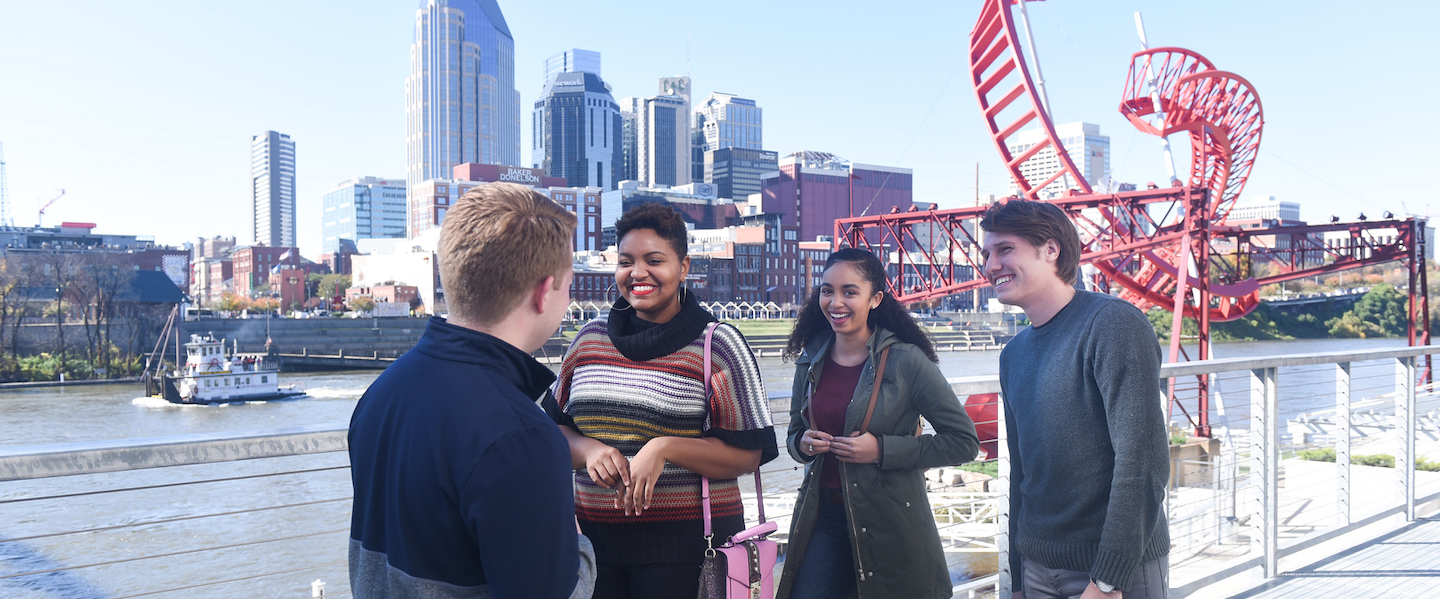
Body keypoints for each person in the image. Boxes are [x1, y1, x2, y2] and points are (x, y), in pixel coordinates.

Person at [348, 182, 596, 599]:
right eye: (567, 285)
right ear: (542, 292)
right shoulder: (521, 438)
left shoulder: (381, 394)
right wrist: (577, 544)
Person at [550, 202, 778, 599]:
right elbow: (548, 430)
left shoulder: (718, 345)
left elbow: (748, 455)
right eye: (626, 261)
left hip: (689, 552)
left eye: (653, 260)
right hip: (591, 547)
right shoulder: (588, 341)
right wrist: (587, 450)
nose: (637, 273)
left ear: (684, 267)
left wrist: (665, 448)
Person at [980, 199, 1170, 599]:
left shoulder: (1114, 324)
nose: (991, 265)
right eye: (987, 253)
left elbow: (1143, 462)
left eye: (1005, 249)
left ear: (1051, 250)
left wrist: (1107, 580)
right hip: (1036, 571)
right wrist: (1016, 576)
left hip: (1116, 570)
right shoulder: (1012, 355)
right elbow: (1022, 475)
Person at [776, 248, 981, 599]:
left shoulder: (907, 361)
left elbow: (964, 441)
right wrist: (803, 444)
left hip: (889, 520)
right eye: (827, 290)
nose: (835, 302)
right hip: (822, 517)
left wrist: (881, 450)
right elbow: (795, 435)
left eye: (849, 292)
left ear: (876, 299)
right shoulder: (810, 360)